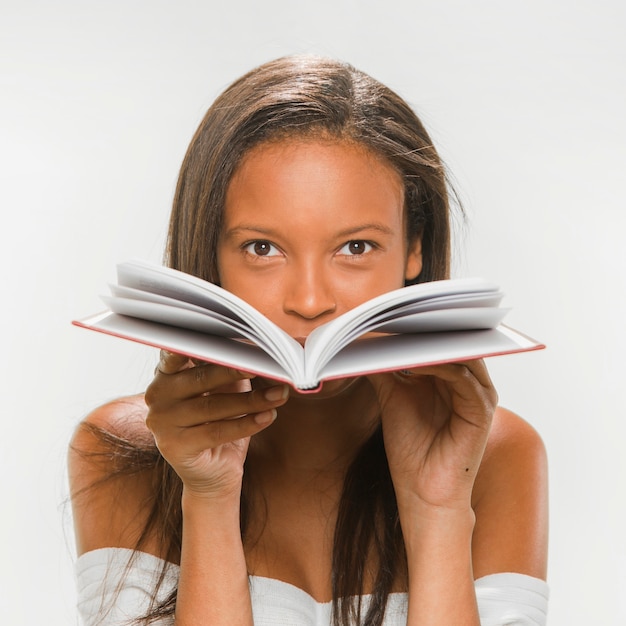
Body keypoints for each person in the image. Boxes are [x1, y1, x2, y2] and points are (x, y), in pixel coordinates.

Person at [69, 55, 549, 626]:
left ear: (414, 249)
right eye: (262, 248)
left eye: (356, 248)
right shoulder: (120, 452)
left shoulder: (495, 454)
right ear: (210, 258)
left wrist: (438, 507)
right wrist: (208, 499)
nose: (310, 301)